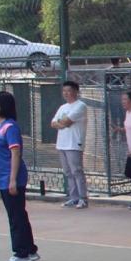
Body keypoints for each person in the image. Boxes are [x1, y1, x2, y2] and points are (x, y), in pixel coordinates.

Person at [0, 91, 39, 261]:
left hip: (12, 178)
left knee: (15, 217)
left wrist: (12, 180)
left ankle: (21, 253)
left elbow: (15, 153)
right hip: (2, 178)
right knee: (18, 214)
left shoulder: (10, 127)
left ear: (3, 105)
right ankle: (30, 250)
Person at [51, 80, 88, 209]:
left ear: (76, 92)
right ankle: (74, 197)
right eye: (64, 91)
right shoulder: (63, 107)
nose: (66, 93)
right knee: (68, 172)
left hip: (74, 143)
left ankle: (83, 198)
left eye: (69, 91)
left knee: (76, 171)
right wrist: (61, 123)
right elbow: (53, 123)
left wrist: (62, 122)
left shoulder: (80, 106)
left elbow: (67, 122)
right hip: (62, 143)